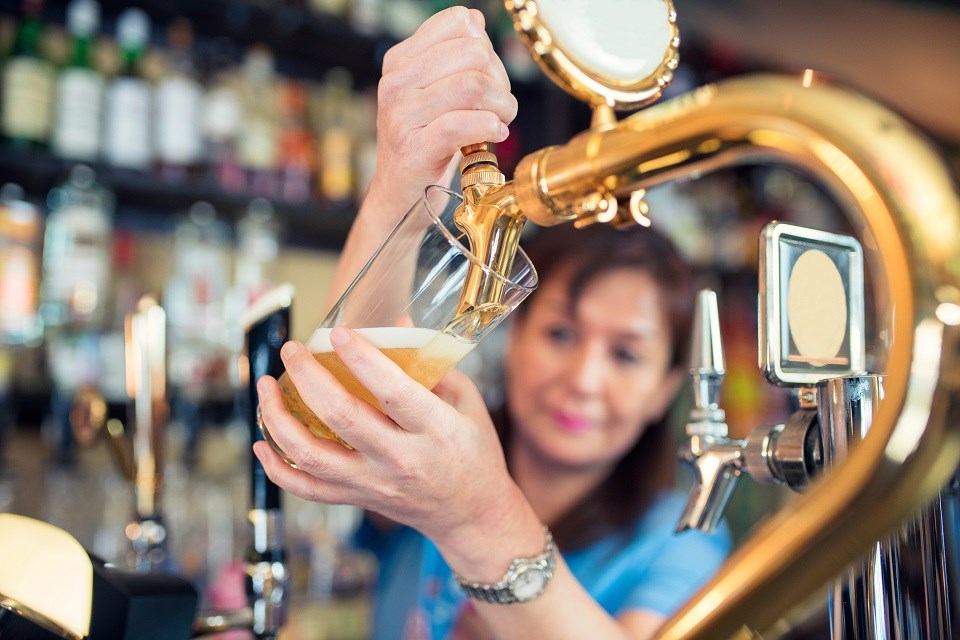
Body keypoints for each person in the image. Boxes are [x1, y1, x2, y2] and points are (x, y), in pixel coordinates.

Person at [254, 7, 731, 640]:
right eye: (561, 334)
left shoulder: (681, 539)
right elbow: (335, 412)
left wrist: (475, 518)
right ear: (514, 336)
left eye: (627, 355)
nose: (584, 379)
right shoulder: (424, 461)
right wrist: (400, 185)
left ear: (667, 388)